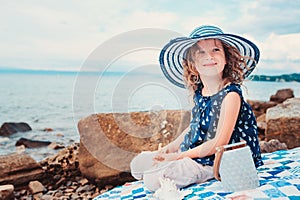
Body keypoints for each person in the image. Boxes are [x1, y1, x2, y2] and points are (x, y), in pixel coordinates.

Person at [130, 25, 263, 192]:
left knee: (151, 180)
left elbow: (218, 143)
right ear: (192, 63)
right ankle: (176, 165)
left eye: (215, 50)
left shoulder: (231, 95)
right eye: (201, 52)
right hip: (196, 152)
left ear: (227, 58)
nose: (209, 56)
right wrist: (171, 147)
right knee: (137, 165)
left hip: (218, 160)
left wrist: (177, 156)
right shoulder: (201, 92)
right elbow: (194, 126)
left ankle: (196, 172)